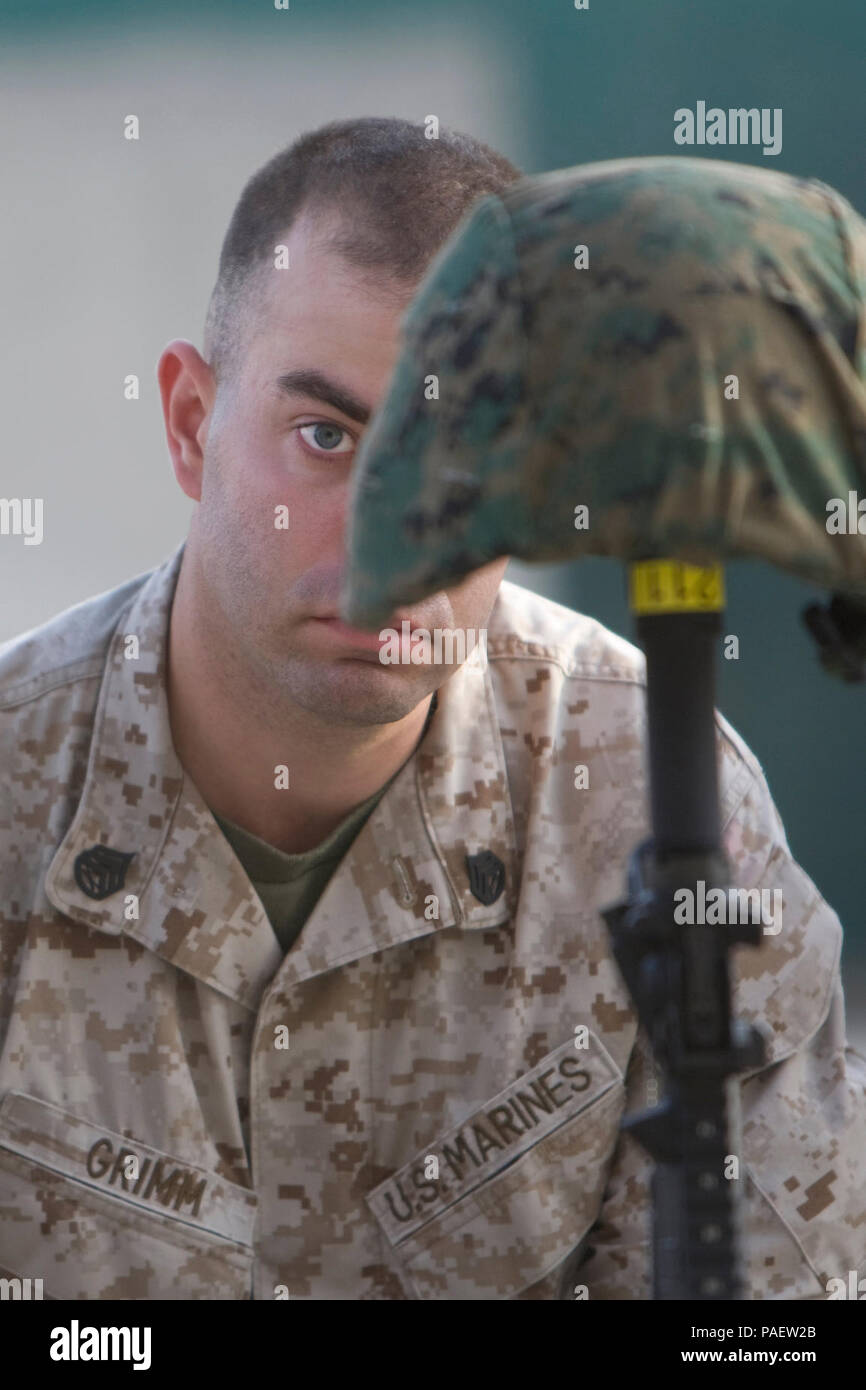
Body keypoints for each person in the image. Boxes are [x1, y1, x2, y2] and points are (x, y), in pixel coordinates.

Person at [0, 117, 861, 1300]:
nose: (392, 540)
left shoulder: (654, 803)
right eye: (325, 437)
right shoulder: (14, 786)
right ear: (192, 425)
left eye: (460, 449)